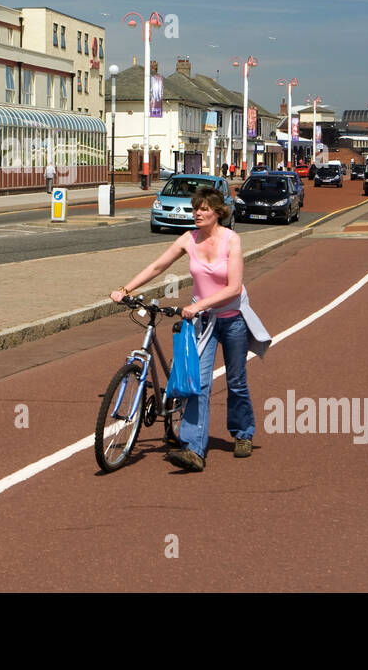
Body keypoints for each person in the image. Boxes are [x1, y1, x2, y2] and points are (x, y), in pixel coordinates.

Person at [110, 188, 271, 472]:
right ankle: (193, 449)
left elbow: (233, 288)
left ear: (218, 212)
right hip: (203, 320)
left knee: (236, 381)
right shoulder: (188, 239)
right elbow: (158, 266)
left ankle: (243, 433)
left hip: (232, 319)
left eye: (204, 209)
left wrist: (198, 305)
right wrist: (126, 289)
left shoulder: (232, 240)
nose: (197, 213)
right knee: (199, 383)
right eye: (195, 208)